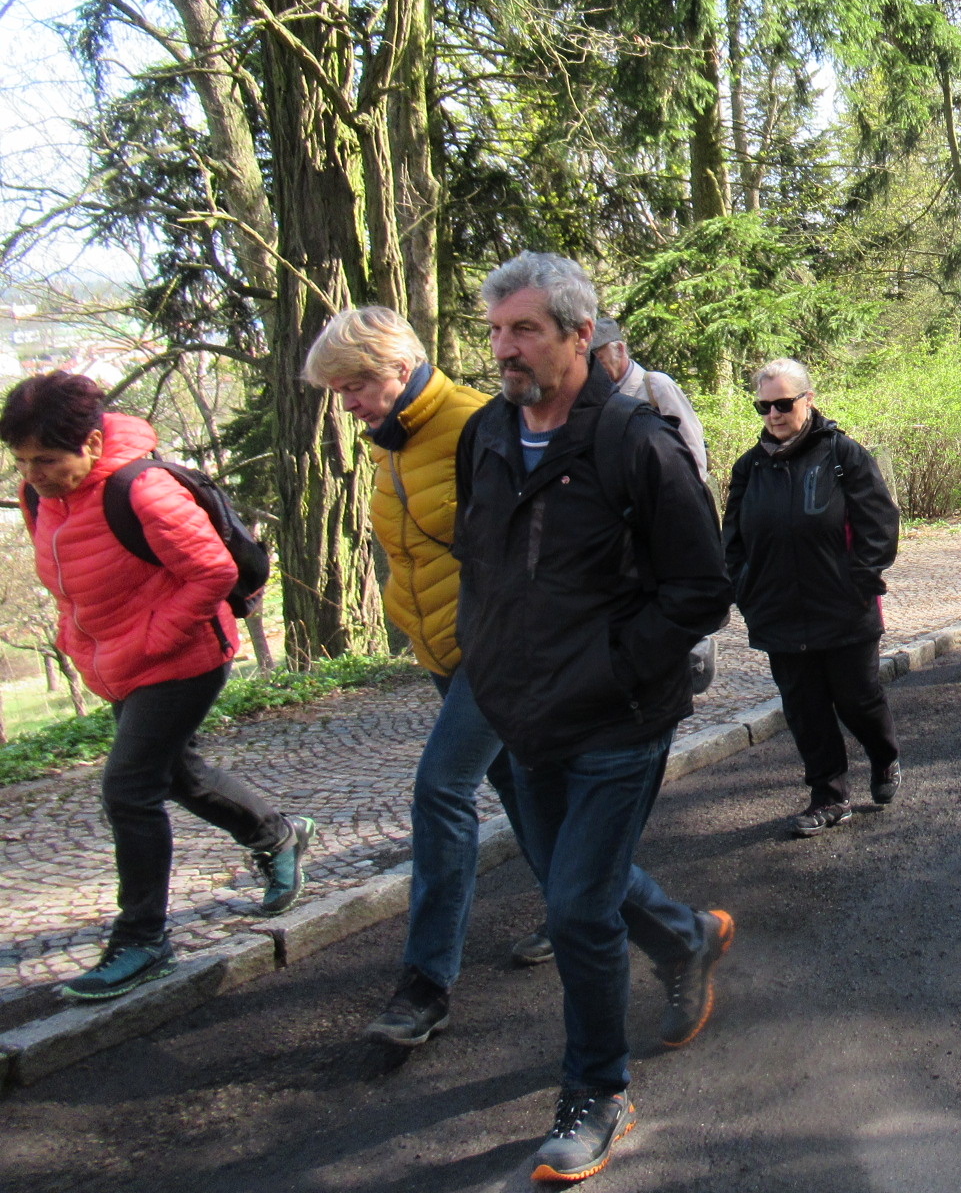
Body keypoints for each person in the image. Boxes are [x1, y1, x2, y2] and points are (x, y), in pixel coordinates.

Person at [455, 252, 735, 1182]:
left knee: (575, 904)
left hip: (617, 723)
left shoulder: (636, 442)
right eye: (496, 331)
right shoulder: (486, 438)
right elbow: (484, 569)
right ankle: (686, 935)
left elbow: (701, 588)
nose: (505, 349)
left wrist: (614, 669)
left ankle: (597, 1095)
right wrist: (485, 659)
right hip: (521, 718)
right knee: (581, 879)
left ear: (581, 335)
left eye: (524, 330)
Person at [3, 372, 313, 1004]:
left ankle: (143, 940)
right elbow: (70, 586)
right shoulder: (42, 498)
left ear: (91, 443)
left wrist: (144, 642)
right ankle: (276, 833)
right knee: (173, 773)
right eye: (22, 461)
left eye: (48, 460)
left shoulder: (141, 489)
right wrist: (82, 646)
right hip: (117, 662)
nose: (34, 473)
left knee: (128, 786)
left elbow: (213, 573)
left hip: (183, 658)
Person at [303, 307, 553, 1050]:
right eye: (338, 391)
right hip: (441, 649)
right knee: (517, 788)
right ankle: (607, 913)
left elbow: (535, 539)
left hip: (496, 648)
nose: (346, 403)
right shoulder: (391, 443)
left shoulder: (480, 423)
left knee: (441, 789)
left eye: (352, 385)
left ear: (396, 366)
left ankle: (425, 987)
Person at [725, 359, 903, 837]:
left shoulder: (843, 455)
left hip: (843, 607)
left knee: (857, 699)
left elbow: (880, 523)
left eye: (783, 404)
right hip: (778, 611)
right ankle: (829, 795)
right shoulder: (750, 467)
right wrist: (746, 589)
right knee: (804, 708)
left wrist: (860, 580)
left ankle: (884, 755)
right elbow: (733, 539)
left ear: (808, 400)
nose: (774, 415)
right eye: (764, 406)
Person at [591, 317, 710, 482]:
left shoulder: (656, 386)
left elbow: (690, 441)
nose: (593, 366)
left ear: (619, 349)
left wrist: (695, 491)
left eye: (598, 357)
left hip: (668, 493)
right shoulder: (596, 396)